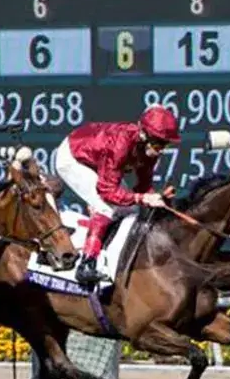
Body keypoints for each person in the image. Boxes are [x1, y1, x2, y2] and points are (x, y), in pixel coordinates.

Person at [53, 106, 181, 286]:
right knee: (105, 207)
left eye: (165, 144)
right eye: (158, 144)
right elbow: (107, 191)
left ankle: (109, 253)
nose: (161, 150)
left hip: (95, 157)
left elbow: (143, 186)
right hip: (73, 157)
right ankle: (86, 264)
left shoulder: (149, 151)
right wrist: (142, 198)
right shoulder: (120, 145)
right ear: (144, 135)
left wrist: (157, 197)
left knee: (132, 210)